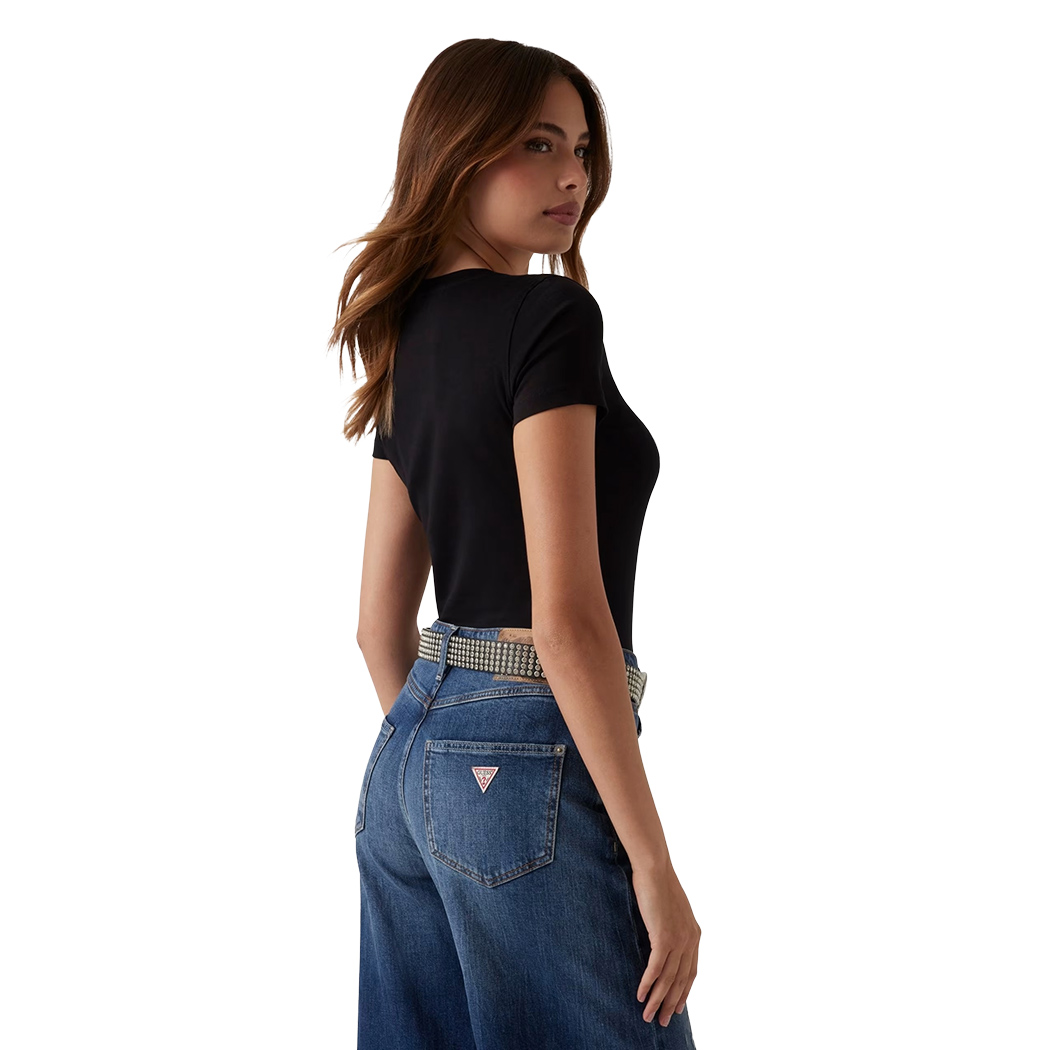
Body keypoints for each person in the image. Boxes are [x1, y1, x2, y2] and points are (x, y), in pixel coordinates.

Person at [328, 37, 700, 1049]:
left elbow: (376, 626)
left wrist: (445, 768)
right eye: (537, 144)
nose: (572, 175)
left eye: (581, 148)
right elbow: (566, 616)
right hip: (531, 741)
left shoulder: (404, 337)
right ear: (456, 150)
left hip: (405, 764)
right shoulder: (549, 317)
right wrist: (654, 867)